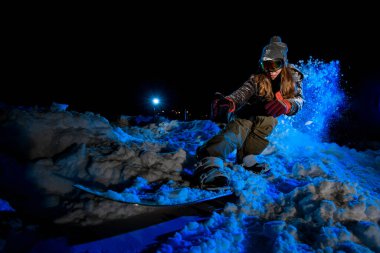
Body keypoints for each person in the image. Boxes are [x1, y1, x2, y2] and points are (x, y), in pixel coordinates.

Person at [194, 36, 304, 190]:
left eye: (276, 64)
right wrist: (230, 101)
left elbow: (299, 100)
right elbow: (242, 93)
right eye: (267, 64)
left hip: (265, 115)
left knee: (269, 121)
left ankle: (247, 158)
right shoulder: (257, 79)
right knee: (241, 126)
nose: (271, 70)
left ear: (284, 62)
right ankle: (209, 159)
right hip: (244, 113)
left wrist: (288, 105)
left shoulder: (292, 78)